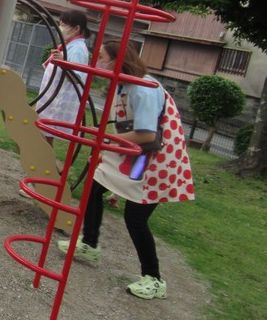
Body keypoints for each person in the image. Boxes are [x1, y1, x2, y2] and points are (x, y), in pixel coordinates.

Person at [58, 40, 195, 300]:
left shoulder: (143, 89)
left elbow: (146, 134)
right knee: (94, 187)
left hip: (154, 160)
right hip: (134, 154)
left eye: (101, 57)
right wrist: (107, 145)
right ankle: (89, 243)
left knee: (135, 218)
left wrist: (104, 141)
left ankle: (154, 279)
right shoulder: (124, 85)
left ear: (117, 61)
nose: (97, 62)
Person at [37, 10, 92, 145]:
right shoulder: (67, 46)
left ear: (76, 28)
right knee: (42, 136)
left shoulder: (78, 49)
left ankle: (46, 159)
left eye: (63, 25)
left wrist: (63, 62)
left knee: (45, 138)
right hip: (51, 98)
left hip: (59, 102)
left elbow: (76, 78)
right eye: (60, 24)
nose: (60, 28)